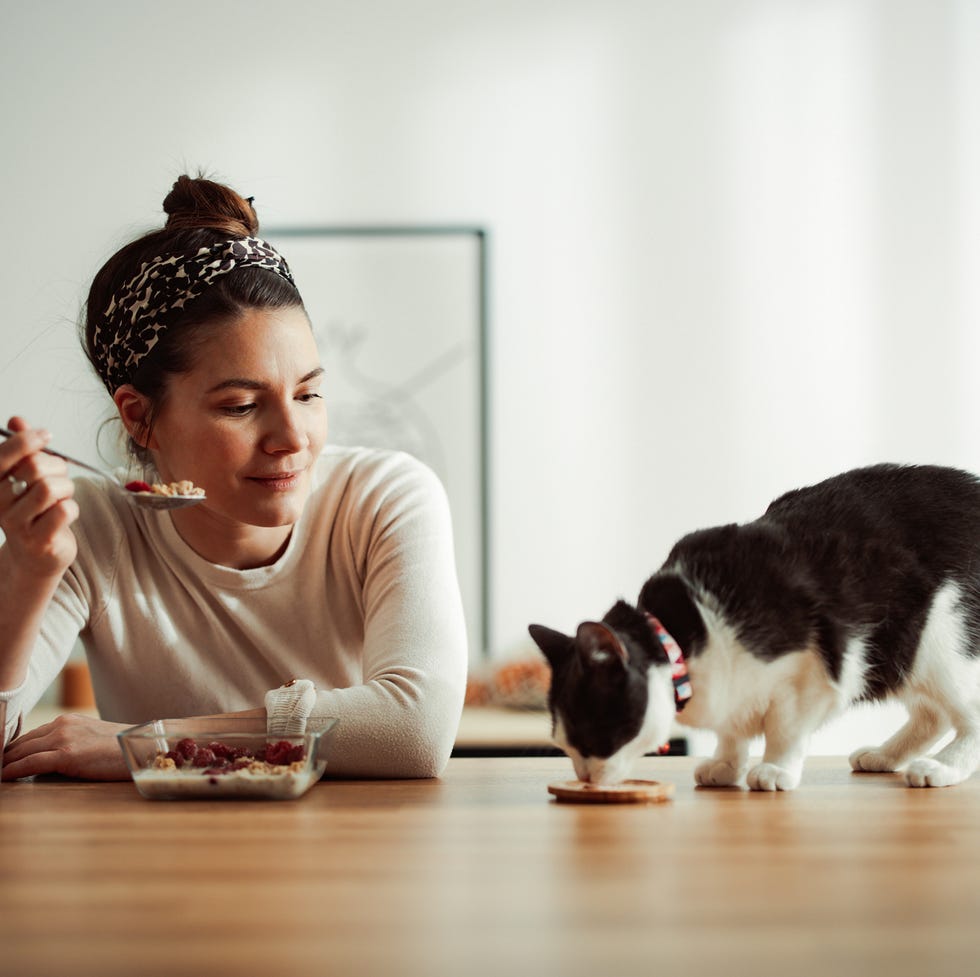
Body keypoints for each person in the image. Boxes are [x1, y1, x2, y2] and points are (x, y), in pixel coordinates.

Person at [0, 175, 468, 780]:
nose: (293, 438)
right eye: (241, 406)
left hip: (350, 860)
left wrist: (155, 743)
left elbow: (416, 730)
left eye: (309, 393)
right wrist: (28, 571)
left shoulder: (383, 498)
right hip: (154, 864)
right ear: (140, 417)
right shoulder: (92, 528)